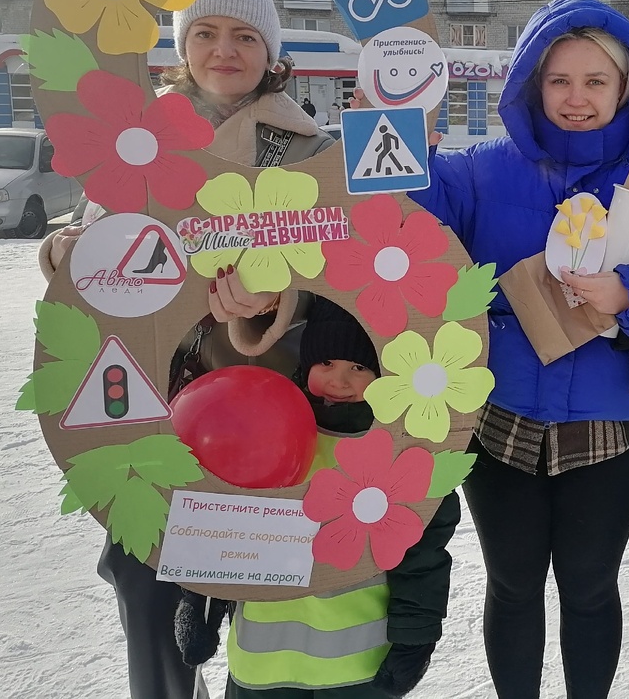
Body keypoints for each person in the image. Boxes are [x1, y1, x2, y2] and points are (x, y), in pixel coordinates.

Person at [403, 0, 629, 698]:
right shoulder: (478, 174)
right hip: (498, 426)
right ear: (533, 85)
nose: (576, 98)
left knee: (590, 590)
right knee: (512, 586)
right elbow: (398, 225)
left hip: (606, 434)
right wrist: (398, 130)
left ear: (625, 88)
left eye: (596, 81)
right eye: (559, 80)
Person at [39, 0, 335, 699]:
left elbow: (345, 280)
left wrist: (278, 296)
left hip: (261, 403)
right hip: (145, 395)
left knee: (256, 582)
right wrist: (67, 254)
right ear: (181, 45)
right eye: (205, 32)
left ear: (270, 51)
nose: (223, 49)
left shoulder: (308, 149)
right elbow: (91, 233)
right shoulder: (136, 141)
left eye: (244, 35)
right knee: (142, 575)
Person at [175, 296, 461, 699]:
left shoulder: (404, 449)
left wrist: (415, 636)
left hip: (358, 665)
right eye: (326, 363)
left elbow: (423, 550)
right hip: (263, 660)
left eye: (358, 368)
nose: (339, 381)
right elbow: (225, 522)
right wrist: (200, 601)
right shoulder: (267, 428)